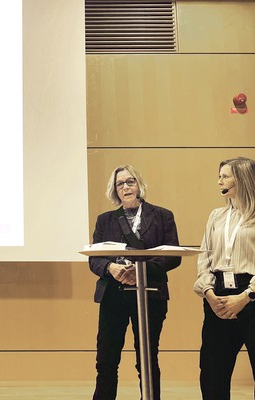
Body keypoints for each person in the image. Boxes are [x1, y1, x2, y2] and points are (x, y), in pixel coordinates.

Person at [193, 157, 255, 400]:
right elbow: (205, 259)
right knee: (212, 375)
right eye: (220, 176)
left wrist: (246, 296)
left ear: (244, 179)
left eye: (225, 176)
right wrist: (208, 293)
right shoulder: (216, 216)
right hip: (218, 300)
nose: (219, 181)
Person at [89, 164, 181, 400]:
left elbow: (173, 256)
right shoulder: (105, 220)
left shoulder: (162, 216)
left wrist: (139, 270)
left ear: (139, 185)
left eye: (130, 181)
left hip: (149, 294)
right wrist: (111, 267)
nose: (126, 187)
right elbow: (94, 260)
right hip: (113, 295)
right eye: (120, 184)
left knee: (147, 359)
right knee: (106, 360)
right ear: (115, 190)